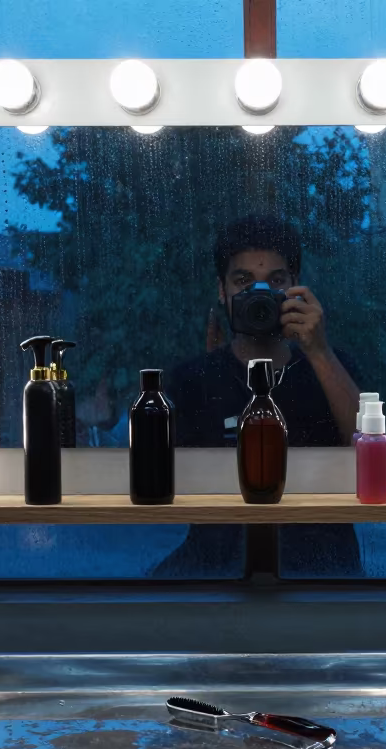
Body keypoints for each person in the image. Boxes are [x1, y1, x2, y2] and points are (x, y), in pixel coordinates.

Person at [152, 215, 364, 577]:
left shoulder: (333, 365)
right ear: (222, 290)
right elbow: (157, 480)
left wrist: (318, 351)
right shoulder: (192, 379)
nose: (260, 295)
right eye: (243, 281)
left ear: (296, 286)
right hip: (217, 572)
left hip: (323, 573)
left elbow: (373, 452)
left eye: (275, 281)